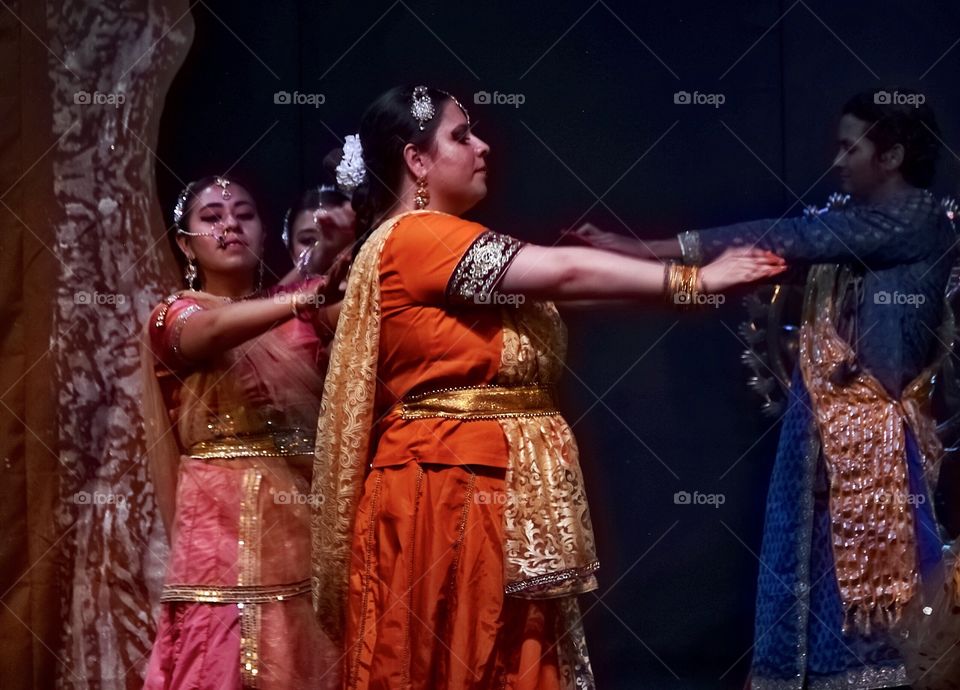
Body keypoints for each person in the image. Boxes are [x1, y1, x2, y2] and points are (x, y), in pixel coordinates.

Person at [310, 84, 787, 690]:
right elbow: (562, 269)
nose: (483, 147)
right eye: (461, 136)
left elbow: (563, 284)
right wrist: (693, 279)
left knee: (507, 656)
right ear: (417, 161)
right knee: (465, 658)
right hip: (447, 487)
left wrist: (683, 284)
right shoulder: (415, 236)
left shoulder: (438, 245)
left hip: (482, 482)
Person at [567, 87, 958, 689]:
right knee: (803, 573)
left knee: (882, 611)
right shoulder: (845, 222)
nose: (837, 160)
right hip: (816, 439)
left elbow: (783, 239)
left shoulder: (916, 218)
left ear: (892, 156)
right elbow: (782, 239)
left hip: (875, 449)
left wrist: (645, 249)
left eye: (850, 147)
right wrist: (653, 264)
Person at [141, 175, 343, 689]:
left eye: (244, 214)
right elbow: (208, 333)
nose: (229, 224)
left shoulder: (304, 315)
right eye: (211, 218)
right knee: (220, 653)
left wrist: (345, 248)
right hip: (218, 524)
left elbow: (369, 311)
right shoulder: (175, 315)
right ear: (186, 244)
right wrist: (303, 299)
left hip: (301, 516)